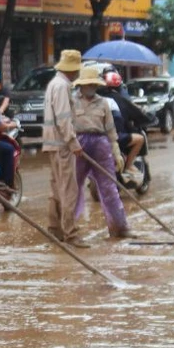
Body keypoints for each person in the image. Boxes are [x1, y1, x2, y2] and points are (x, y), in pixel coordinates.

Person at [71, 66, 135, 239]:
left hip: (100, 142)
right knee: (73, 188)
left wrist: (115, 150)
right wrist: (71, 143)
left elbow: (110, 129)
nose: (91, 87)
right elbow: (64, 127)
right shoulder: (72, 102)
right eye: (88, 84)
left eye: (93, 84)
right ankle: (68, 229)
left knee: (109, 187)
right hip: (78, 143)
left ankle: (119, 227)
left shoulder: (103, 103)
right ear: (81, 85)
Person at [42, 50, 87, 248]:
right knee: (69, 189)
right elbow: (63, 118)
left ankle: (54, 229)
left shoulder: (55, 83)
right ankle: (70, 233)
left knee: (56, 188)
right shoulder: (62, 86)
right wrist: (73, 142)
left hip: (53, 143)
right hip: (61, 144)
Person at [99, 71, 153, 183]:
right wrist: (149, 118)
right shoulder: (120, 100)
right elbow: (136, 114)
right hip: (115, 137)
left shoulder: (95, 99)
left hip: (96, 138)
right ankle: (128, 167)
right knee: (140, 139)